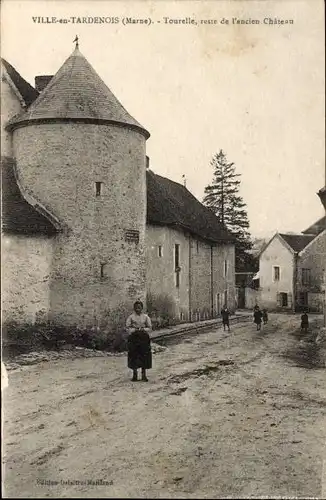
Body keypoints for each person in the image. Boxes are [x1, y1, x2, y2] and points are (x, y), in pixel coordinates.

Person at [126, 301, 152, 382]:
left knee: (144, 355)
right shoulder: (131, 317)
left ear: (142, 308)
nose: (138, 309)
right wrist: (134, 330)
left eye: (139, 307)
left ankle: (144, 375)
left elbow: (150, 327)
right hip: (134, 338)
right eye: (136, 307)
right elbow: (127, 328)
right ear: (134, 308)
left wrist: (143, 329)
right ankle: (135, 375)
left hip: (143, 338)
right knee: (134, 355)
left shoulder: (146, 317)